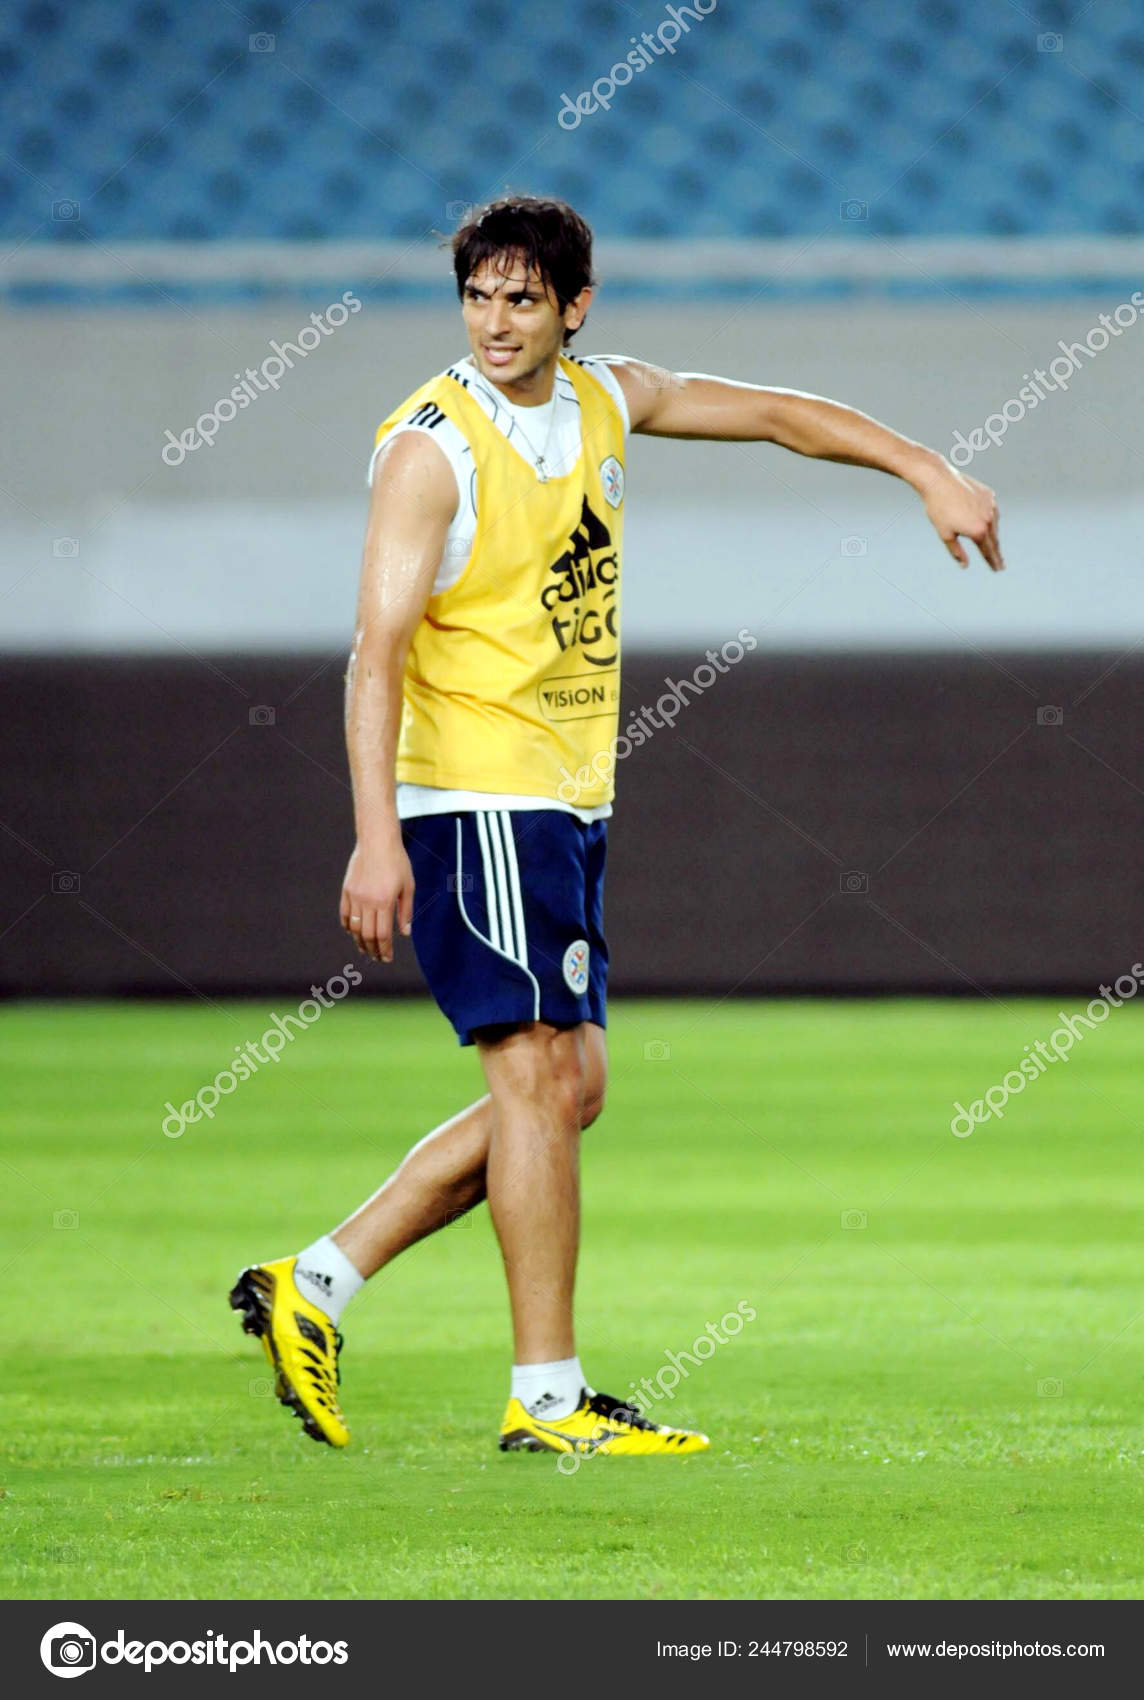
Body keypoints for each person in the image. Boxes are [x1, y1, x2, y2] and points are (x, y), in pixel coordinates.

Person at [230, 196, 1002, 1454]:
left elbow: (774, 413)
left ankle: (315, 1281)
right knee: (535, 1073)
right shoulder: (434, 450)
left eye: (521, 298)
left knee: (568, 1087)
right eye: (478, 296)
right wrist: (376, 835)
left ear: (572, 307)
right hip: (476, 793)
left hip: (567, 794)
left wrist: (927, 467)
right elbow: (375, 653)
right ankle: (549, 1399)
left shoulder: (602, 399)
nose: (494, 320)